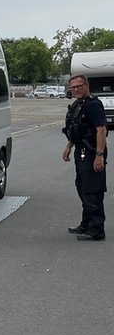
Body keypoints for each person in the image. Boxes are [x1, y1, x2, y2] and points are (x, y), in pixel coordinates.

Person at [62, 74, 107, 241]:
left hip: (91, 153)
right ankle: (87, 223)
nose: (76, 89)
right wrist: (68, 147)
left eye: (79, 86)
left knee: (92, 190)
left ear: (86, 86)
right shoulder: (78, 105)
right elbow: (76, 130)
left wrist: (99, 155)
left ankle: (96, 230)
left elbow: (101, 130)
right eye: (73, 87)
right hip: (80, 151)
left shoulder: (93, 105)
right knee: (82, 188)